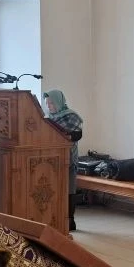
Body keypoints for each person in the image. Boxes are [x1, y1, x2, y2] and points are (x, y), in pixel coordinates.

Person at [44, 89, 83, 232]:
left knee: (69, 189)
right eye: (47, 103)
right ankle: (56, 218)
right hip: (52, 160)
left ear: (58, 102)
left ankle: (69, 220)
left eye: (51, 103)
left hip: (68, 159)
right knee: (55, 189)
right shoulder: (48, 118)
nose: (49, 106)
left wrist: (62, 135)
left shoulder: (72, 116)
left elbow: (77, 135)